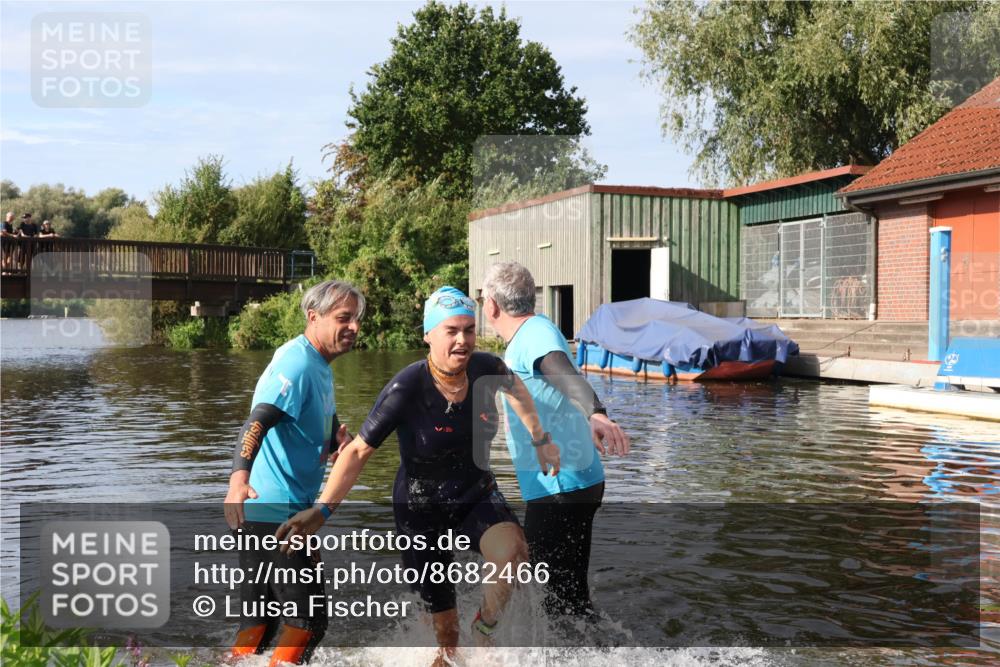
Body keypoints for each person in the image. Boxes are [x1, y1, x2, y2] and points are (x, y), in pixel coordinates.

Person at [277, 286, 560, 666]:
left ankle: (485, 629)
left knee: (513, 552)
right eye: (451, 331)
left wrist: (540, 437)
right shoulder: (405, 388)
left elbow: (516, 389)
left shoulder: (486, 368)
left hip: (474, 494)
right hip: (419, 511)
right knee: (445, 639)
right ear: (429, 334)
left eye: (469, 330)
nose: (462, 341)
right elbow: (358, 450)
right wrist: (322, 511)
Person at [223, 279, 365, 666]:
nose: (353, 326)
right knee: (307, 622)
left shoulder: (318, 365)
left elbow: (314, 422)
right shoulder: (297, 362)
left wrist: (336, 444)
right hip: (272, 510)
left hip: (275, 510)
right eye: (343, 318)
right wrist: (238, 480)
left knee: (261, 620)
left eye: (356, 319)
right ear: (313, 316)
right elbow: (258, 421)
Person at [482, 261, 630, 619]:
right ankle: (597, 651)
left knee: (552, 600)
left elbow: (560, 371)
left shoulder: (532, 336)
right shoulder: (538, 329)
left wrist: (597, 411)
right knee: (569, 597)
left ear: (491, 306)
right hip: (575, 482)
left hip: (559, 488)